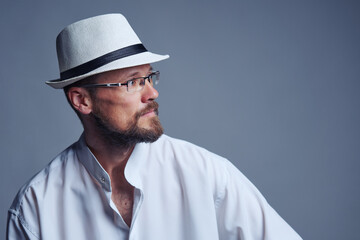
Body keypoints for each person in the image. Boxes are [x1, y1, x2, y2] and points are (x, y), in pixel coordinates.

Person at [6, 13, 302, 240]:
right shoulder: (35, 208)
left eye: (150, 77)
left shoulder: (207, 175)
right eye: (133, 82)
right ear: (82, 100)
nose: (152, 93)